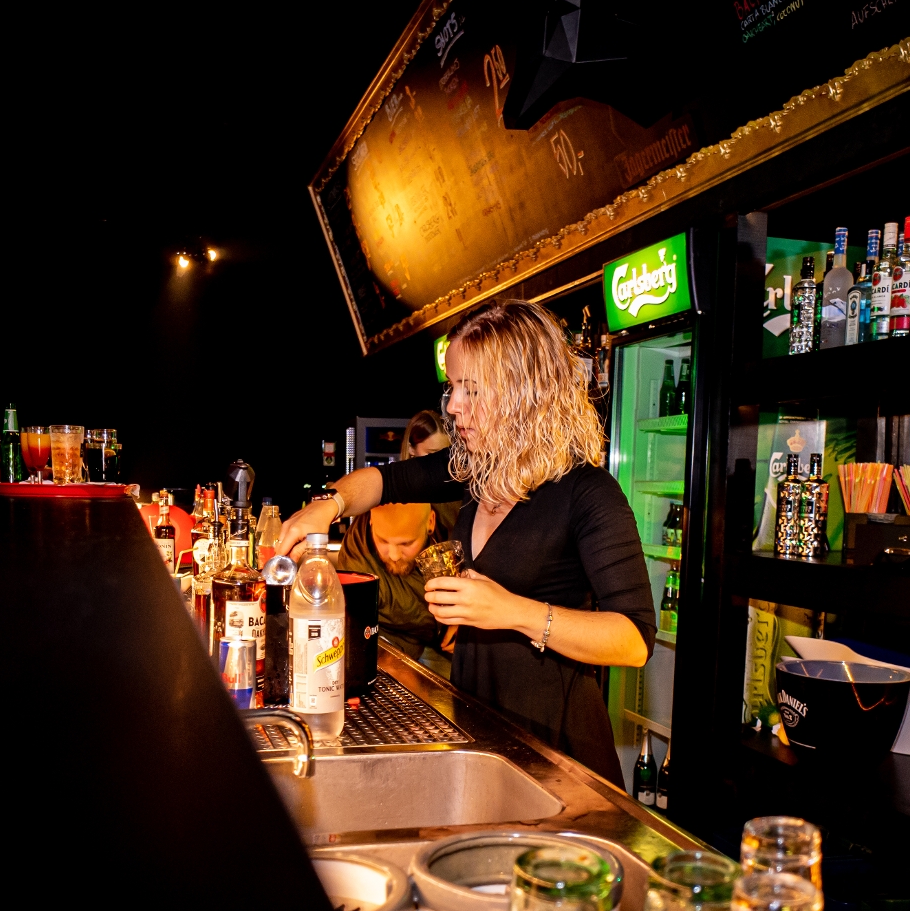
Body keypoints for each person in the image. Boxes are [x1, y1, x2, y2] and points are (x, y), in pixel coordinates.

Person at [277, 301, 652, 778]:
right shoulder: (474, 469)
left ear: (523, 391)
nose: (453, 406)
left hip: (555, 745)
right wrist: (328, 505)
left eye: (470, 389)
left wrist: (513, 611)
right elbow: (383, 482)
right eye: (452, 388)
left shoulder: (588, 492)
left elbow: (632, 639)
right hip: (481, 727)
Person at [332, 500, 453, 677]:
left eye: (406, 544)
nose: (394, 555)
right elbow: (360, 633)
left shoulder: (460, 515)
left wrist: (465, 620)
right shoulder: (357, 563)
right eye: (383, 541)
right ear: (371, 521)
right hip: (395, 638)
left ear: (431, 521)